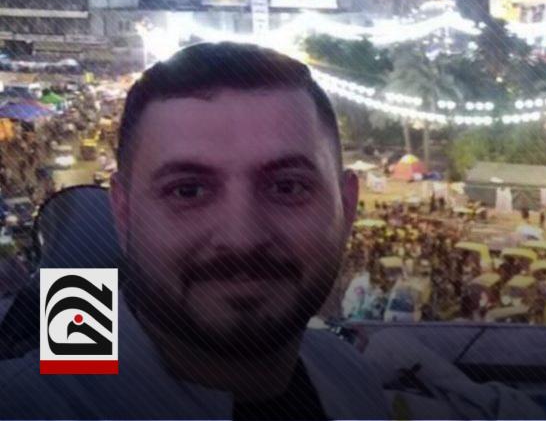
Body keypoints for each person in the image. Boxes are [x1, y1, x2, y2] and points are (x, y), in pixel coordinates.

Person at [0, 43, 388, 419]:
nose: (241, 239)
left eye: (288, 187)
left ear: (346, 207)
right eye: (187, 191)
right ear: (123, 212)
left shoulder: (353, 380)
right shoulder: (27, 404)